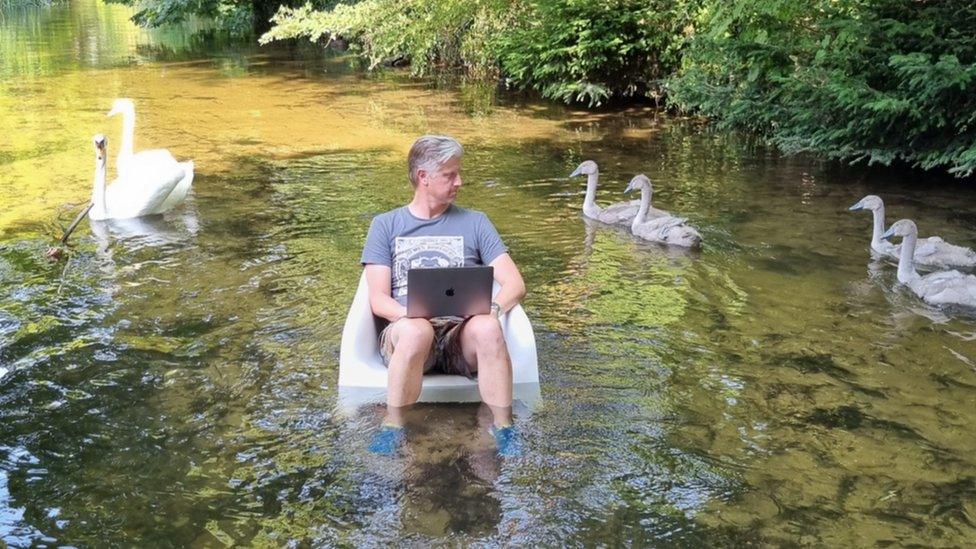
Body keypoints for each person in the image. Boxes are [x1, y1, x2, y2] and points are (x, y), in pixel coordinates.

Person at [360, 135, 526, 456]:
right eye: (450, 175)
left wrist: (491, 310)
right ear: (423, 177)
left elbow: (515, 284)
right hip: (407, 332)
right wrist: (409, 315)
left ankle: (503, 428)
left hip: (459, 335)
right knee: (414, 330)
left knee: (488, 327)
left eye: (458, 173)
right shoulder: (385, 225)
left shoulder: (476, 223)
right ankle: (394, 425)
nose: (459, 182)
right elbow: (378, 300)